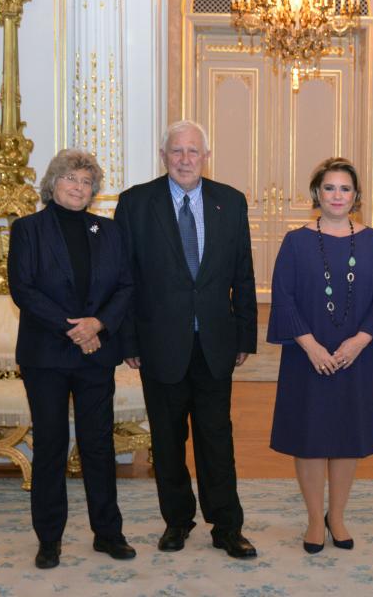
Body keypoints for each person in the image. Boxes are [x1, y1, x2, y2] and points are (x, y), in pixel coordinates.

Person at [114, 120, 258, 559]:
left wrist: (245, 334)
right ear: (164, 156)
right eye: (176, 151)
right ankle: (177, 521)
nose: (185, 159)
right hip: (159, 344)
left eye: (193, 151)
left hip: (215, 343)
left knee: (217, 439)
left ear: (206, 157)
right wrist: (128, 341)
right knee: (167, 440)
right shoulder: (136, 203)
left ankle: (227, 526)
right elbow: (124, 278)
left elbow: (243, 274)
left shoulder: (230, 202)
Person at [7, 148, 136, 569]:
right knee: (51, 446)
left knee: (99, 445)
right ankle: (49, 539)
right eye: (70, 179)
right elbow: (23, 290)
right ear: (53, 183)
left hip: (95, 354)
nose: (78, 188)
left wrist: (98, 325)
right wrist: (75, 330)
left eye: (86, 182)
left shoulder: (109, 231)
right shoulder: (28, 229)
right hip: (46, 356)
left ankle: (108, 533)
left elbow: (126, 286)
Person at [267, 157, 373, 554]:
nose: (337, 195)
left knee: (346, 437)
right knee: (309, 437)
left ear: (356, 196)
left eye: (345, 188)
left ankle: (336, 516)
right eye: (329, 188)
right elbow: (283, 298)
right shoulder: (295, 242)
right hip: (307, 355)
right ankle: (313, 519)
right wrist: (310, 346)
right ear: (316, 193)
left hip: (357, 356)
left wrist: (359, 342)